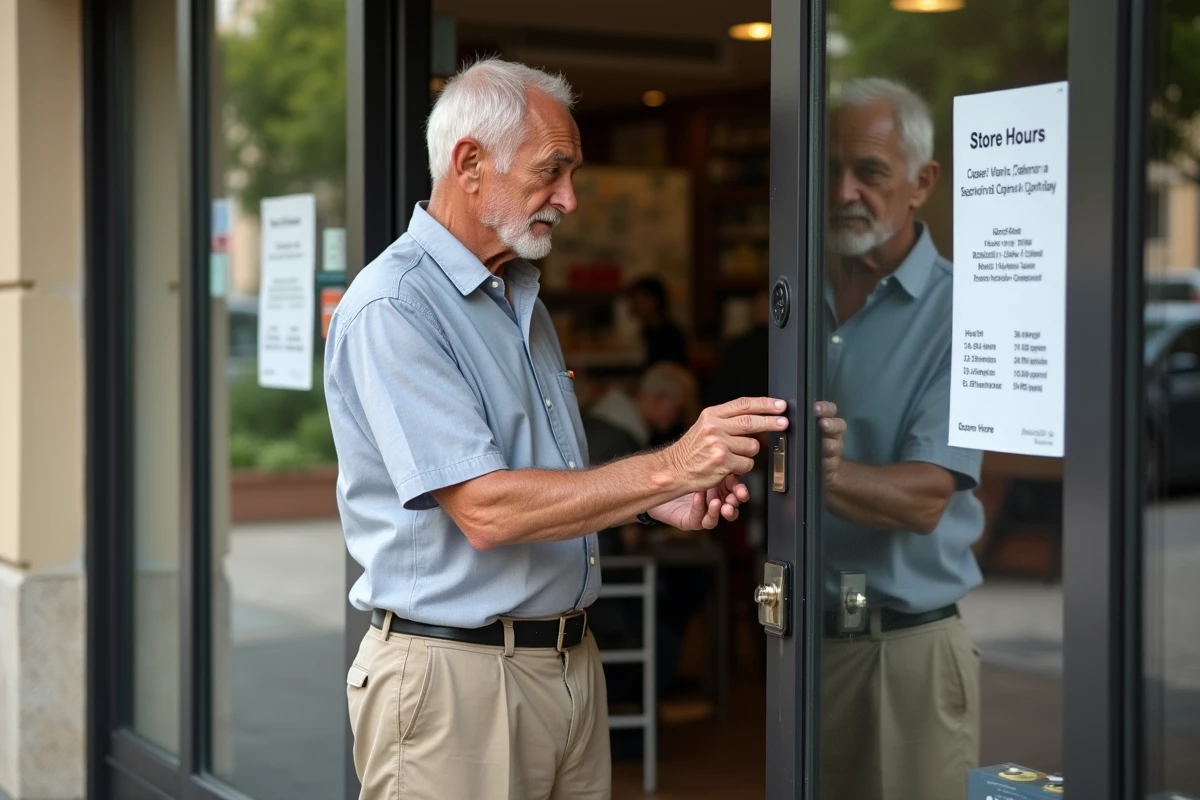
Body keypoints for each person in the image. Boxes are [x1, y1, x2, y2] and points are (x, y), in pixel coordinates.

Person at [323, 57, 847, 800]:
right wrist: (670, 466)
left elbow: (543, 476)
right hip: (459, 683)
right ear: (470, 163)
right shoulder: (396, 305)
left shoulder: (516, 295)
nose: (568, 199)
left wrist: (648, 502)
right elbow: (486, 508)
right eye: (552, 171)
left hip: (567, 662)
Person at [818, 77, 985, 800]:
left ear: (922, 184)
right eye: (830, 170)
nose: (844, 191)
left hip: (903, 652)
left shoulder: (966, 312)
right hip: (799, 641)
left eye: (871, 172)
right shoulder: (796, 289)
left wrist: (810, 467)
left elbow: (925, 499)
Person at [629, 276, 688, 369]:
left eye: (639, 298)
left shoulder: (670, 334)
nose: (633, 303)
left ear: (655, 300)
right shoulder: (648, 329)